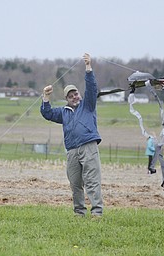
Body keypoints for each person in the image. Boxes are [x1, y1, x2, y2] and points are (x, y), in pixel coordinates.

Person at [40, 53, 103, 217]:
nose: (74, 97)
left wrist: (88, 68)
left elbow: (91, 87)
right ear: (66, 99)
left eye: (76, 94)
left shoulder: (88, 105)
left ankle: (97, 212)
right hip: (72, 151)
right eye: (70, 96)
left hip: (89, 147)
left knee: (92, 181)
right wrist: (46, 97)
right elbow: (47, 114)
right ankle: (79, 212)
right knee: (75, 183)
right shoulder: (63, 112)